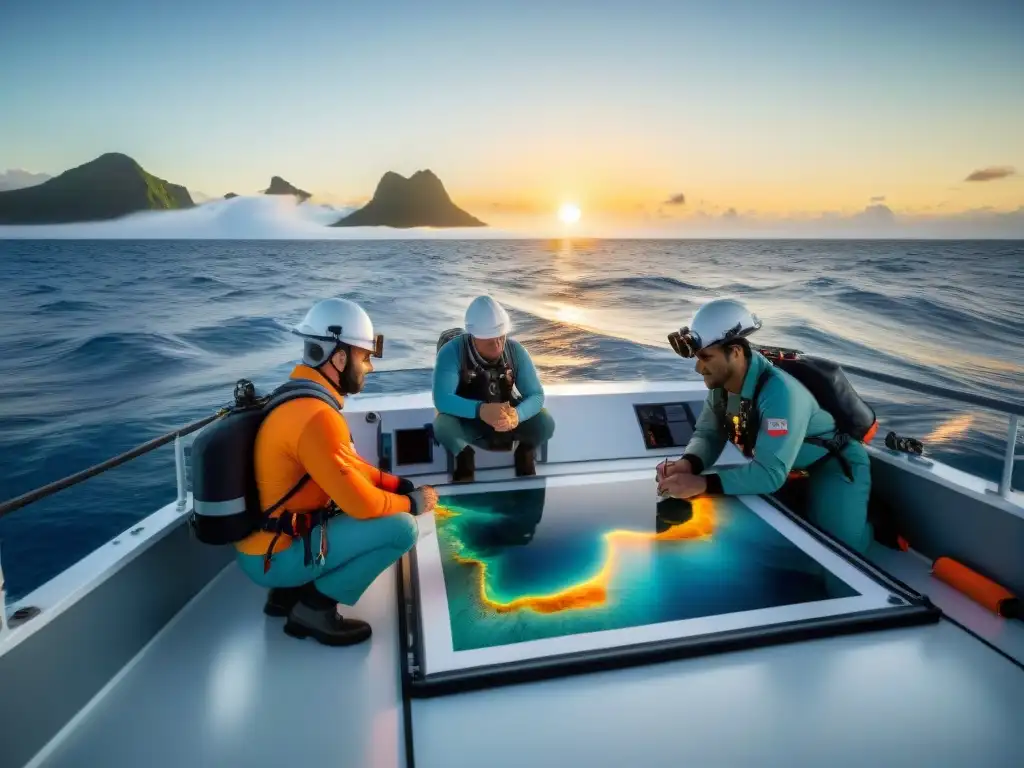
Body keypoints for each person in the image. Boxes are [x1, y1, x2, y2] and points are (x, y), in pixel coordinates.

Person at [233, 297, 439, 646]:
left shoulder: (298, 399)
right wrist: (413, 504)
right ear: (339, 357)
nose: (369, 368)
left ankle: (287, 594)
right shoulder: (318, 418)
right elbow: (360, 504)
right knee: (401, 529)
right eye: (364, 357)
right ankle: (314, 609)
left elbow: (348, 465)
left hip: (264, 545)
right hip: (275, 557)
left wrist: (394, 484)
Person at [656, 298, 874, 554]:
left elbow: (769, 475)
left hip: (832, 467)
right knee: (757, 548)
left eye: (705, 357)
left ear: (735, 352)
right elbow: (708, 433)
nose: (698, 367)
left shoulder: (780, 393)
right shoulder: (723, 387)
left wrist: (702, 484)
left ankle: (874, 523)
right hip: (787, 468)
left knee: (841, 555)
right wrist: (689, 463)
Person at [432, 295, 555, 482]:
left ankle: (525, 453)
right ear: (473, 337)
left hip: (507, 417)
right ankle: (464, 458)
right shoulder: (451, 352)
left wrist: (517, 415)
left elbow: (536, 395)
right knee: (442, 425)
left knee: (545, 421)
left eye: (501, 337)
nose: (497, 345)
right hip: (469, 422)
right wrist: (480, 410)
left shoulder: (516, 351)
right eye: (489, 341)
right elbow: (442, 399)